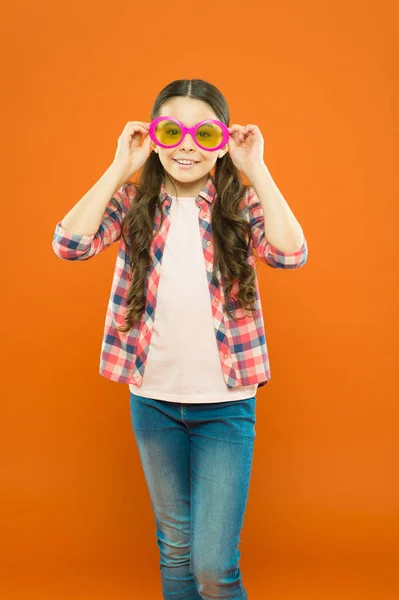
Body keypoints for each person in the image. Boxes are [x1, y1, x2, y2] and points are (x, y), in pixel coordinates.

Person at [52, 78, 308, 600]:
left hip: (226, 407)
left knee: (214, 566)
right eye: (172, 130)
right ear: (154, 138)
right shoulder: (133, 203)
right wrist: (120, 167)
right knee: (175, 548)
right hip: (153, 401)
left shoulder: (238, 203)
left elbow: (290, 253)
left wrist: (255, 167)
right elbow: (69, 244)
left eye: (203, 132)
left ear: (221, 140)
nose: (187, 145)